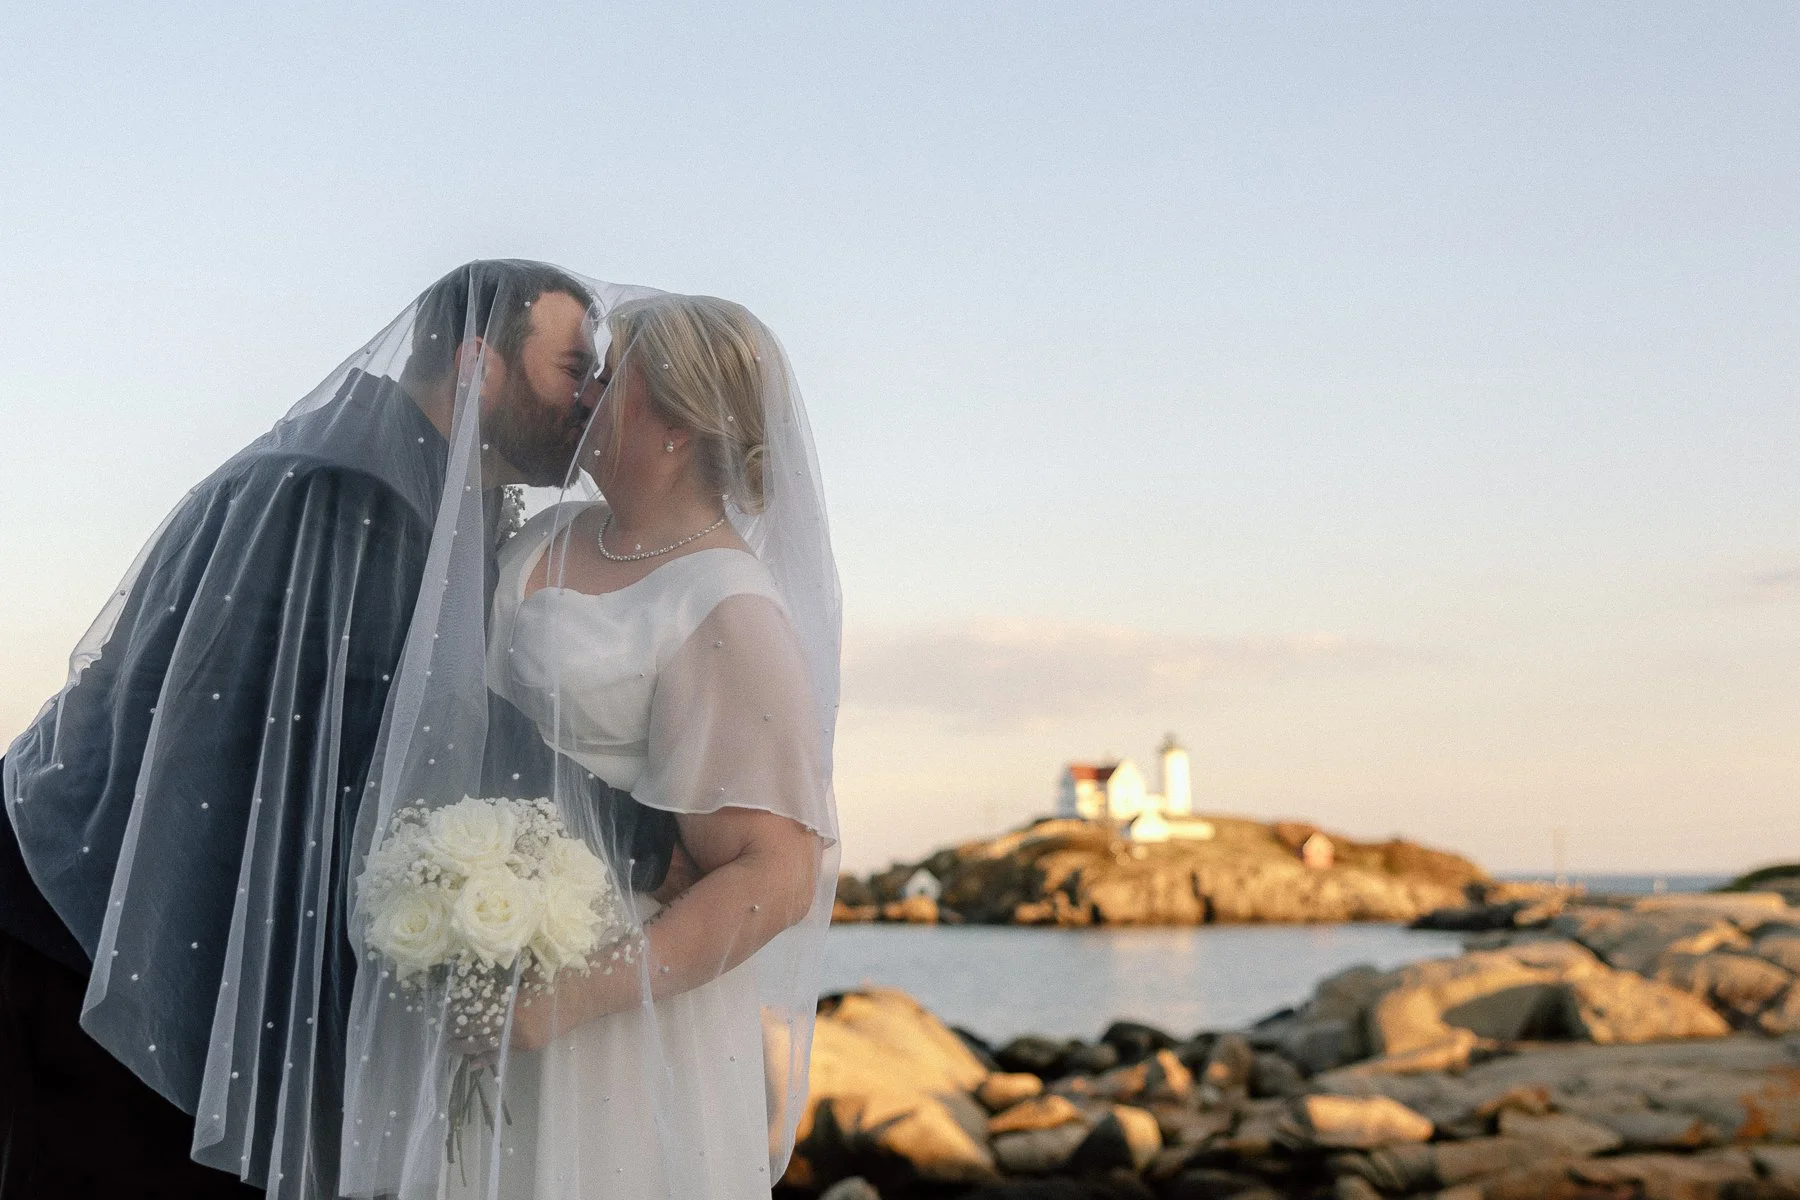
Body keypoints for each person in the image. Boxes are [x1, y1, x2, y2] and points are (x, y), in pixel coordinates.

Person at [0, 261, 681, 1197]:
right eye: (573, 370)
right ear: (482, 364)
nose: (591, 401)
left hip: (121, 919)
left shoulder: (415, 484)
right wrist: (647, 837)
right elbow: (411, 722)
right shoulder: (349, 492)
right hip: (86, 932)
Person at [337, 293, 841, 1200]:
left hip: (616, 1026)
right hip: (485, 970)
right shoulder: (547, 538)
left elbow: (777, 873)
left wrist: (560, 1004)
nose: (586, 397)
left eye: (609, 379)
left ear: (677, 424)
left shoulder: (728, 603)